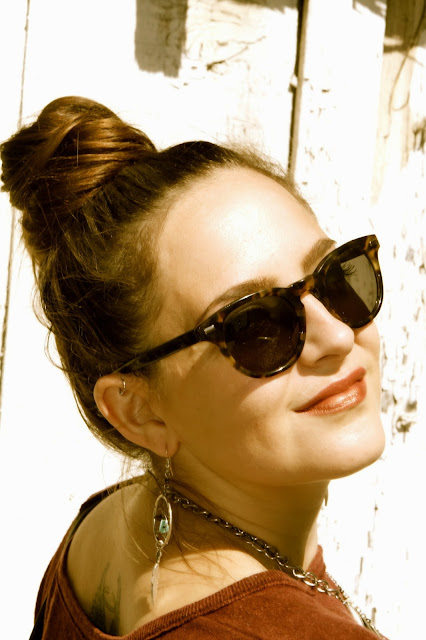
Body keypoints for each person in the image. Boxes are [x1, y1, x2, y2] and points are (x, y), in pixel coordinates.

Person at [1, 96, 387, 639]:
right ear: (139, 411)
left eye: (335, 277)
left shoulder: (104, 531)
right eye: (256, 324)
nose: (338, 336)